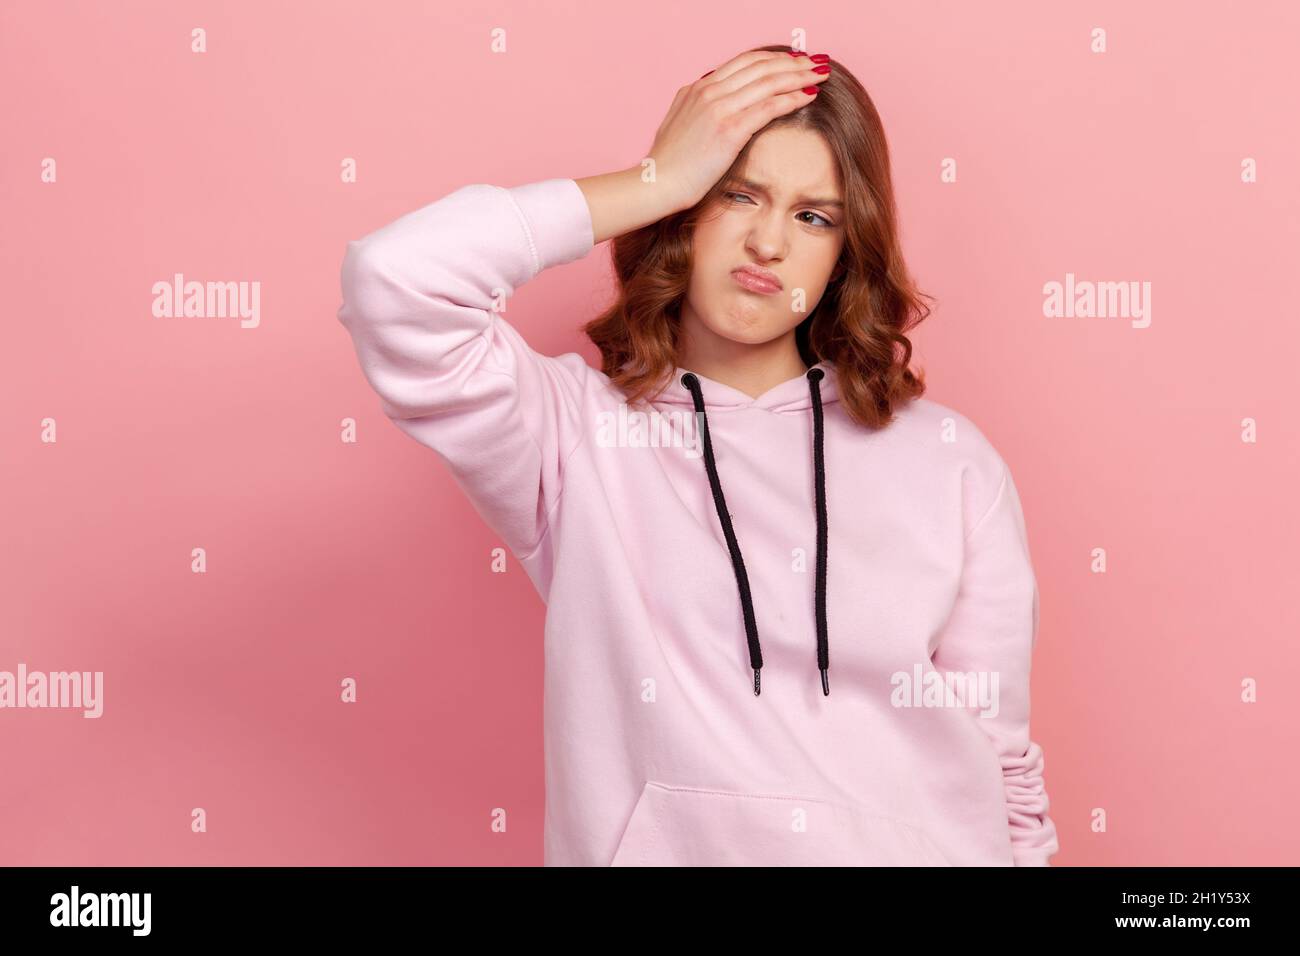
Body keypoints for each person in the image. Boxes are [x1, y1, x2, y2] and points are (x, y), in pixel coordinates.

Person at [335, 44, 1060, 866]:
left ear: (844, 254)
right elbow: (392, 280)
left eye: (812, 216)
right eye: (734, 193)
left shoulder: (952, 462)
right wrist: (657, 179)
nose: (767, 243)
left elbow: (999, 760)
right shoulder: (573, 438)